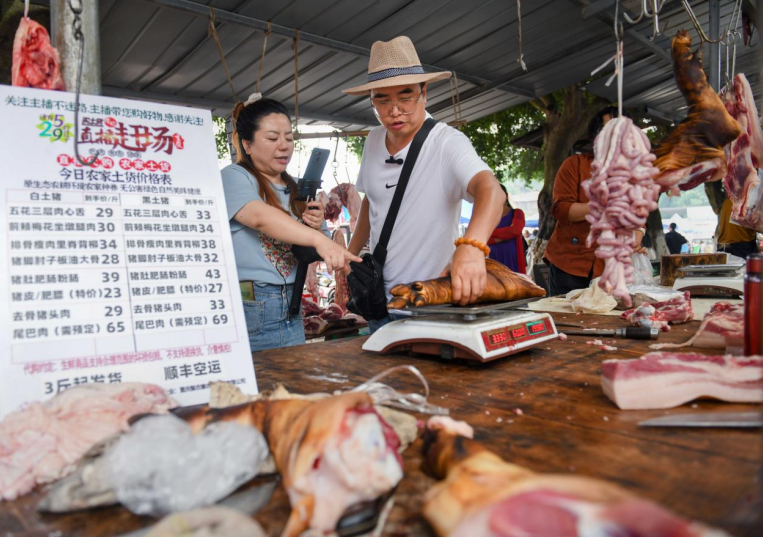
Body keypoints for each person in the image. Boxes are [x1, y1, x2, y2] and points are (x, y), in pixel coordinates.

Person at [344, 36, 504, 332]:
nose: (394, 111)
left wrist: (472, 247)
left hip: (431, 304)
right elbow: (372, 201)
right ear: (371, 99)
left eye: (405, 97)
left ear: (424, 92)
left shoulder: (446, 142)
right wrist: (350, 258)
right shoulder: (374, 140)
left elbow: (491, 191)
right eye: (382, 99)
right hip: (380, 301)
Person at [221, 95, 360, 352]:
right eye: (273, 138)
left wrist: (317, 226)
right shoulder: (234, 177)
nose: (284, 146)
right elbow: (260, 218)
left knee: (291, 385)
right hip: (253, 305)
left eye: (288, 138)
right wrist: (317, 238)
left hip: (293, 307)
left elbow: (315, 250)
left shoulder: (298, 187)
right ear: (247, 144)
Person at [544, 107, 646, 296]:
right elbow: (561, 209)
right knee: (568, 320)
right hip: (570, 264)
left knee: (606, 320)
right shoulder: (575, 164)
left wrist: (635, 240)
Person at [488, 184, 526, 273]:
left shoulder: (517, 213)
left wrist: (492, 233)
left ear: (506, 195)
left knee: (518, 285)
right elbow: (485, 239)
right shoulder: (488, 217)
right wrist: (507, 233)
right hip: (495, 259)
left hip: (514, 259)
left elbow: (515, 230)